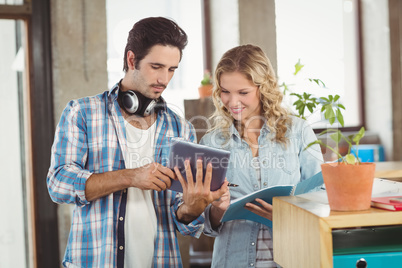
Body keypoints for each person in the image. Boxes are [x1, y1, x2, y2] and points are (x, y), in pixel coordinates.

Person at [47, 17, 227, 268]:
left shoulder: (180, 128)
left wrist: (193, 207)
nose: (164, 79)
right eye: (156, 66)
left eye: (172, 69)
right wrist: (130, 177)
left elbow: (181, 218)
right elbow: (58, 183)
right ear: (132, 60)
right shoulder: (83, 113)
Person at [200, 44, 324, 268]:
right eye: (225, 92)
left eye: (243, 92)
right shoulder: (212, 143)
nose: (232, 102)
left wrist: (288, 216)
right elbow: (205, 224)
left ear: (263, 88)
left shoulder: (298, 131)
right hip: (232, 260)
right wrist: (217, 210)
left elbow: (323, 197)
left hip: (293, 258)